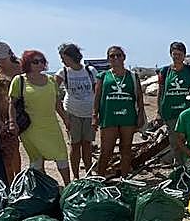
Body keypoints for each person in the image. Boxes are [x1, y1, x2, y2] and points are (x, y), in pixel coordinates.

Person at [7, 49, 71, 184]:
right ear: (27, 63)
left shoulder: (51, 80)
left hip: (51, 125)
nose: (40, 64)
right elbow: (12, 104)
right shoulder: (19, 80)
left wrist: (66, 119)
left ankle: (68, 185)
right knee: (36, 160)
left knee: (62, 156)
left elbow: (57, 104)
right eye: (35, 61)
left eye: (42, 61)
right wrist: (12, 122)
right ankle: (45, 189)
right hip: (30, 127)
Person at [94, 46, 143, 177]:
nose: (116, 58)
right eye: (112, 56)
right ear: (108, 59)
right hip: (109, 117)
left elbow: (139, 97)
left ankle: (124, 178)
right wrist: (95, 115)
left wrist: (140, 115)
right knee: (106, 150)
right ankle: (99, 179)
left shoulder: (132, 76)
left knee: (126, 149)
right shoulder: (103, 76)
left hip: (127, 117)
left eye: (119, 55)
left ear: (124, 57)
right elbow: (97, 96)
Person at [54, 43, 97, 179]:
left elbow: (97, 92)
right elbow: (53, 92)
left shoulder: (90, 71)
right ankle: (76, 177)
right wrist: (63, 116)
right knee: (75, 145)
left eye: (63, 57)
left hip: (89, 113)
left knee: (87, 145)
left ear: (71, 56)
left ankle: (89, 175)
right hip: (72, 112)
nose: (62, 60)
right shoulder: (63, 72)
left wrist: (97, 113)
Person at [0, 41, 23, 182]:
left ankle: (18, 178)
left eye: (1, 59)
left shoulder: (22, 70)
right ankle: (10, 181)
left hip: (20, 115)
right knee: (7, 152)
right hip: (2, 116)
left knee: (16, 150)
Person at [157, 41, 190, 127]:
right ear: (170, 54)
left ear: (184, 55)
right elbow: (160, 92)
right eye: (175, 54)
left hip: (189, 113)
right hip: (170, 114)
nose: (177, 57)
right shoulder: (164, 71)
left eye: (180, 54)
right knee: (174, 140)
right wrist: (158, 112)